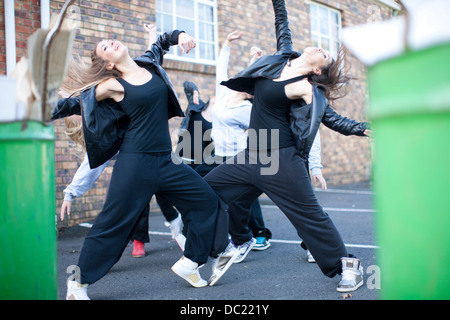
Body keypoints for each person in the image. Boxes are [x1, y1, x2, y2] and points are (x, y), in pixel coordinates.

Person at [52, 24, 239, 299]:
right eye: (104, 47)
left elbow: (163, 41)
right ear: (108, 63)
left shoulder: (149, 63)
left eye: (109, 39)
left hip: (165, 161)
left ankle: (191, 262)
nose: (110, 42)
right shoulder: (112, 85)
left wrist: (181, 36)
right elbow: (74, 104)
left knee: (206, 202)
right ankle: (76, 282)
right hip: (135, 164)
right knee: (112, 225)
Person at [203, 0, 371, 293]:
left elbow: (329, 117)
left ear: (319, 69)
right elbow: (282, 24)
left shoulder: (305, 87)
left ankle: (347, 266)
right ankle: (236, 242)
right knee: (206, 190)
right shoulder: (282, 58)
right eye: (322, 47)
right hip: (250, 155)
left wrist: (361, 128)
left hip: (281, 159)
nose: (320, 48)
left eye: (325, 55)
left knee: (309, 217)